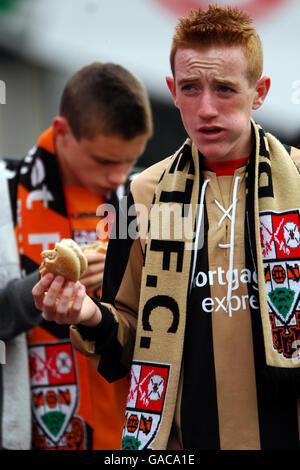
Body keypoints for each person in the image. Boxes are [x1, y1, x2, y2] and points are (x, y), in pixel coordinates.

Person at [32, 6, 300, 450]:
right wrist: (86, 314)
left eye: (225, 88)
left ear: (260, 91)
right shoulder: (141, 195)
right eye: (191, 88)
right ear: (172, 90)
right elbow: (126, 339)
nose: (206, 108)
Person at [1, 61, 152, 450]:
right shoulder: (4, 193)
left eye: (130, 159)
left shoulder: (144, 195)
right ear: (63, 132)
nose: (119, 176)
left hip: (133, 438)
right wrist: (48, 285)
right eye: (105, 161)